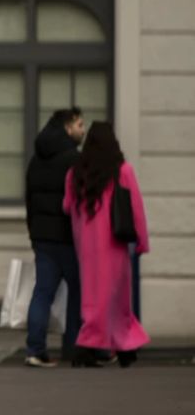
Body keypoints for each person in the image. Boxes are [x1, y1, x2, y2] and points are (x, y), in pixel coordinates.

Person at [64, 121, 150, 368]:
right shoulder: (122, 171)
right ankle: (116, 346)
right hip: (114, 242)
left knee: (92, 296)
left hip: (85, 244)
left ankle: (102, 346)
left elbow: (67, 206)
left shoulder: (75, 173)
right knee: (119, 298)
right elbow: (136, 210)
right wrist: (142, 242)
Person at [23, 107, 86, 367]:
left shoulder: (35, 160)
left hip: (42, 238)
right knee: (77, 292)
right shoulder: (75, 159)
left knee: (42, 293)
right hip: (69, 238)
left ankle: (35, 349)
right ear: (68, 127)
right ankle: (72, 349)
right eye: (80, 124)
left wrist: (33, 232)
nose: (83, 130)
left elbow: (28, 200)